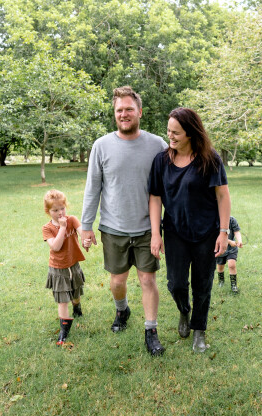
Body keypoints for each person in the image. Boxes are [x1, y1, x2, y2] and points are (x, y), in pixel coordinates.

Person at [80, 86, 168, 356]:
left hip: (147, 229)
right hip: (113, 228)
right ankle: (122, 310)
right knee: (118, 281)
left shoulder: (158, 145)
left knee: (147, 280)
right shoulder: (101, 146)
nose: (124, 114)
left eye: (129, 109)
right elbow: (93, 188)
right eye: (119, 110)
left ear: (140, 112)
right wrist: (86, 226)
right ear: (114, 114)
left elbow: (170, 185)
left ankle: (151, 330)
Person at [149, 107, 231, 353]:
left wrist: (224, 232)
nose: (170, 136)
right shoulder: (161, 161)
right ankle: (184, 310)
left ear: (191, 133)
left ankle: (199, 331)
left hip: (207, 232)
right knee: (176, 284)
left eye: (176, 133)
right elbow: (155, 197)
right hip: (175, 232)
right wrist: (156, 233)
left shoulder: (209, 158)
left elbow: (222, 195)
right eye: (168, 131)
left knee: (202, 283)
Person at [42, 189, 91, 346]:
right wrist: (62, 228)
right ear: (48, 211)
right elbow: (56, 247)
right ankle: (64, 331)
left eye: (62, 208)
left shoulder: (72, 220)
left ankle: (77, 306)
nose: (60, 213)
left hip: (73, 264)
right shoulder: (47, 228)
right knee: (63, 300)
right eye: (55, 210)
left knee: (76, 292)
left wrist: (86, 240)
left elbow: (82, 233)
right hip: (58, 269)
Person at [216, 216, 243, 293]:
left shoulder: (232, 220)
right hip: (220, 248)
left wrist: (239, 240)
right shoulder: (215, 221)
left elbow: (236, 231)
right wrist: (229, 241)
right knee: (220, 266)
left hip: (231, 249)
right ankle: (221, 281)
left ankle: (234, 285)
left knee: (232, 265)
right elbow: (216, 236)